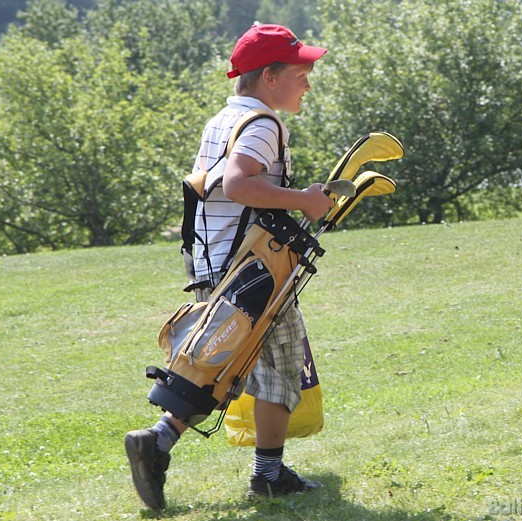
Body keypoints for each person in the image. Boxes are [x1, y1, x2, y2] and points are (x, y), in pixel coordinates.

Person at [123, 24, 333, 510]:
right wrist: (304, 200)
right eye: (302, 73)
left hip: (217, 260)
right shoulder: (263, 124)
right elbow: (239, 185)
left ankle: (156, 442)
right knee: (280, 367)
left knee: (222, 365)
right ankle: (269, 474)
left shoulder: (225, 117)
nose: (308, 83)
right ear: (271, 77)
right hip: (252, 266)